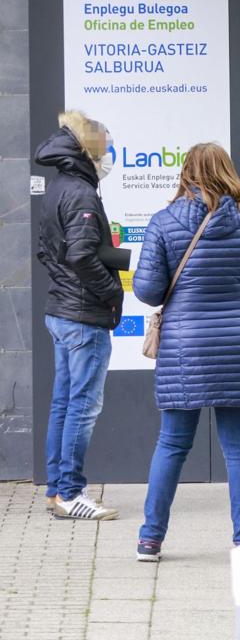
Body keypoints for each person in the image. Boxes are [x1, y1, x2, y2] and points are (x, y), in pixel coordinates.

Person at [132, 143, 240, 561]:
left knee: (171, 445)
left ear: (186, 173)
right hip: (238, 344)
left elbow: (147, 291)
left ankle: (150, 539)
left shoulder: (163, 223)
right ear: (228, 173)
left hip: (184, 348)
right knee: (239, 447)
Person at [35, 112, 125, 521]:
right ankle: (71, 493)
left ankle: (58, 490)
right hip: (83, 317)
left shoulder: (59, 188)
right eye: (106, 147)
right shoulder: (83, 194)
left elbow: (47, 252)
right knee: (82, 406)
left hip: (63, 311)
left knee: (64, 404)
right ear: (90, 151)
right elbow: (81, 256)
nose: (109, 155)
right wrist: (110, 295)